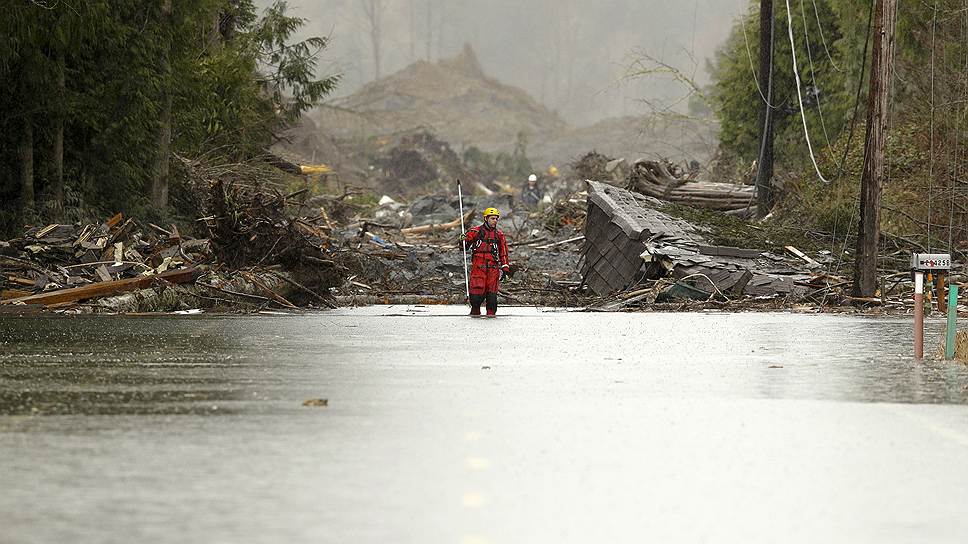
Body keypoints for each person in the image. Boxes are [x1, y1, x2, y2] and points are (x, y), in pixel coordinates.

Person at [459, 207, 511, 317]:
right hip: (478, 267)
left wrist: (505, 268)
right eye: (492, 218)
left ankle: (491, 316)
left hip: (493, 268)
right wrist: (462, 240)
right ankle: (475, 315)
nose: (495, 221)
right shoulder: (475, 232)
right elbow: (463, 247)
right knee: (476, 297)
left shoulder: (499, 235)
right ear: (486, 219)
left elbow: (503, 252)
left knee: (492, 298)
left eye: (496, 219)